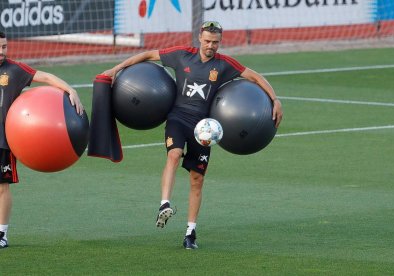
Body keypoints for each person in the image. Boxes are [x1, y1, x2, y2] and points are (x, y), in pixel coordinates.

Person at [102, 21, 283, 249]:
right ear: (199, 38)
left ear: (220, 42)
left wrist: (275, 100)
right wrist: (117, 69)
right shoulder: (181, 55)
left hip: (204, 130)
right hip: (177, 119)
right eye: (207, 41)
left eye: (215, 42)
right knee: (174, 155)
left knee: (197, 180)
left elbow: (255, 77)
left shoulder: (224, 64)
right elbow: (148, 54)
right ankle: (164, 204)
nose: (211, 46)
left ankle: (190, 233)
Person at [0, 31, 84, 249]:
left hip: (3, 140)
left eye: (4, 47)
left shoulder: (14, 70)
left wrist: (70, 89)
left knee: (1, 187)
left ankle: (2, 234)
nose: (2, 52)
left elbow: (45, 77)